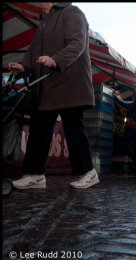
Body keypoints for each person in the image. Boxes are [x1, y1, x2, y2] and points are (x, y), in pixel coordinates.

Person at [8, 2, 98, 189]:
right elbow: (33, 51)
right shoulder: (45, 21)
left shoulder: (72, 12)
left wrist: (56, 60)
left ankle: (88, 173)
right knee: (39, 128)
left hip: (70, 84)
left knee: (73, 128)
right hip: (47, 85)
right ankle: (35, 175)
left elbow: (78, 42)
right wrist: (23, 67)